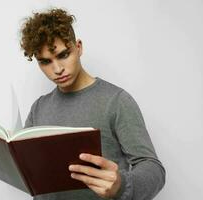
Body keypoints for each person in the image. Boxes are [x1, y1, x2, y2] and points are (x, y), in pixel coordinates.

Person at [19, 7, 165, 200]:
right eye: (45, 62)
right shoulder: (39, 108)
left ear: (78, 47)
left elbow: (154, 169)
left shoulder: (116, 101)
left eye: (64, 55)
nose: (57, 69)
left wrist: (121, 185)